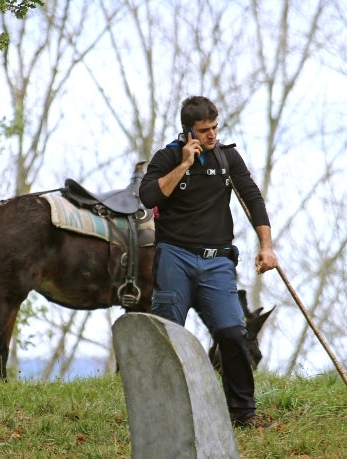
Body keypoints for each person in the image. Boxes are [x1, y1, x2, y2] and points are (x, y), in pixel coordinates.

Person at [139, 96, 278, 428]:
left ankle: (243, 414)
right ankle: (162, 414)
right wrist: (184, 165)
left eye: (215, 127)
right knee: (168, 337)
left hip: (217, 261)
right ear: (188, 131)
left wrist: (267, 246)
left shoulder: (228, 157)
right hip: (175, 256)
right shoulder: (167, 157)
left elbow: (252, 197)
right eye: (204, 130)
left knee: (233, 334)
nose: (212, 135)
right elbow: (148, 197)